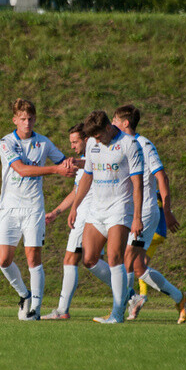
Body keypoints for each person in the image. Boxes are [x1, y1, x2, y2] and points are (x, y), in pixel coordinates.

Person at [0, 98, 75, 320]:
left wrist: (89, 162)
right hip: (9, 209)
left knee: (33, 257)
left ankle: (35, 310)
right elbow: (21, 169)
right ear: (15, 120)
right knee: (3, 260)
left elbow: (65, 162)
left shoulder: (43, 143)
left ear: (35, 119)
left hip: (33, 208)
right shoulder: (5, 143)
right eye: (23, 119)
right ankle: (24, 294)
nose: (27, 122)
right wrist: (55, 170)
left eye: (30, 119)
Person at [111, 105, 186, 324]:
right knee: (138, 267)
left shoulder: (143, 144)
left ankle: (120, 310)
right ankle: (179, 297)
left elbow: (162, 177)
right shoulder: (119, 146)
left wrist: (167, 211)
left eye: (115, 120)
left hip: (144, 211)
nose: (112, 123)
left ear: (126, 123)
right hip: (128, 210)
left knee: (125, 259)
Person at [67, 110, 144, 324]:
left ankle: (117, 314)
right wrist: (75, 206)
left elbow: (138, 184)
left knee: (113, 259)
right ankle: (129, 295)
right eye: (93, 137)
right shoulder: (92, 143)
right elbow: (88, 177)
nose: (97, 141)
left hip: (120, 208)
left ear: (109, 127)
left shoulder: (130, 145)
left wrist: (137, 217)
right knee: (89, 259)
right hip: (97, 209)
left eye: (99, 136)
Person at [41, 123, 115, 320]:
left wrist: (73, 210)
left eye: (75, 142)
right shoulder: (88, 159)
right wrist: (57, 212)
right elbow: (76, 191)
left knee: (71, 259)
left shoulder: (92, 159)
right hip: (88, 215)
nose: (72, 146)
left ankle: (62, 310)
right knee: (91, 261)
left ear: (86, 139)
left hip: (85, 216)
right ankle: (128, 294)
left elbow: (83, 191)